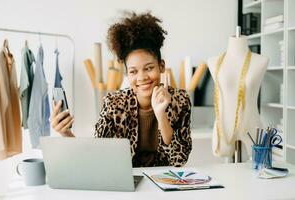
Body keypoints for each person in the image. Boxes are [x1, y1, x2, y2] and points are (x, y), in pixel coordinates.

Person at [50, 12, 192, 167]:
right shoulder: (114, 103)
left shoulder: (180, 100)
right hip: (126, 182)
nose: (142, 77)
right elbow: (97, 158)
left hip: (165, 181)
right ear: (127, 74)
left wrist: (161, 114)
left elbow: (179, 160)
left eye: (149, 68)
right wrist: (65, 132)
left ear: (161, 66)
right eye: (133, 71)